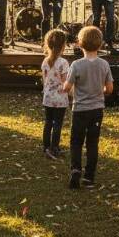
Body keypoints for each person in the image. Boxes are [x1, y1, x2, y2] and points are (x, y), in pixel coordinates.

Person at [62, 26, 113, 189]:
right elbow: (109, 89)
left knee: (76, 142)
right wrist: (100, 91)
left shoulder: (76, 65)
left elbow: (67, 87)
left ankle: (76, 168)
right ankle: (89, 177)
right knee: (92, 143)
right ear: (100, 44)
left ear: (79, 44)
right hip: (97, 109)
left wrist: (66, 86)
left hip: (79, 109)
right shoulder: (104, 64)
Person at [41, 29, 70, 159]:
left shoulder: (45, 61)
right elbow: (65, 82)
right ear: (63, 45)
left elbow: (44, 80)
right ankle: (55, 147)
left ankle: (46, 146)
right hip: (59, 98)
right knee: (57, 123)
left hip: (48, 96)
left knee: (48, 122)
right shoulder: (63, 63)